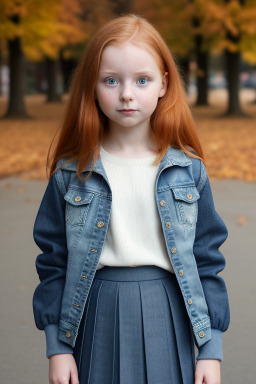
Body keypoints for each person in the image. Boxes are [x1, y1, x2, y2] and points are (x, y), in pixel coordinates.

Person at [32, 13, 230, 384]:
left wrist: (210, 350)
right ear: (92, 85)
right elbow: (53, 264)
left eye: (142, 80)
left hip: (167, 312)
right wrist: (58, 348)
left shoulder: (189, 172)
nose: (126, 93)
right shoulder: (71, 175)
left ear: (163, 85)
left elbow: (207, 263)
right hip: (95, 315)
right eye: (111, 80)